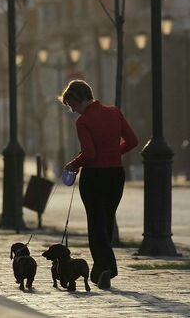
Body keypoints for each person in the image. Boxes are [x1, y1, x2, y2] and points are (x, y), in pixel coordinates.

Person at [59, 80, 138, 290]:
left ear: (79, 98)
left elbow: (90, 154)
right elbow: (132, 141)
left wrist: (73, 164)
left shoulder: (84, 121)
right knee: (107, 222)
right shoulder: (114, 113)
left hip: (94, 177)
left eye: (72, 105)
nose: (73, 110)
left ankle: (108, 268)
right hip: (115, 175)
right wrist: (113, 154)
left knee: (96, 226)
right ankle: (100, 271)